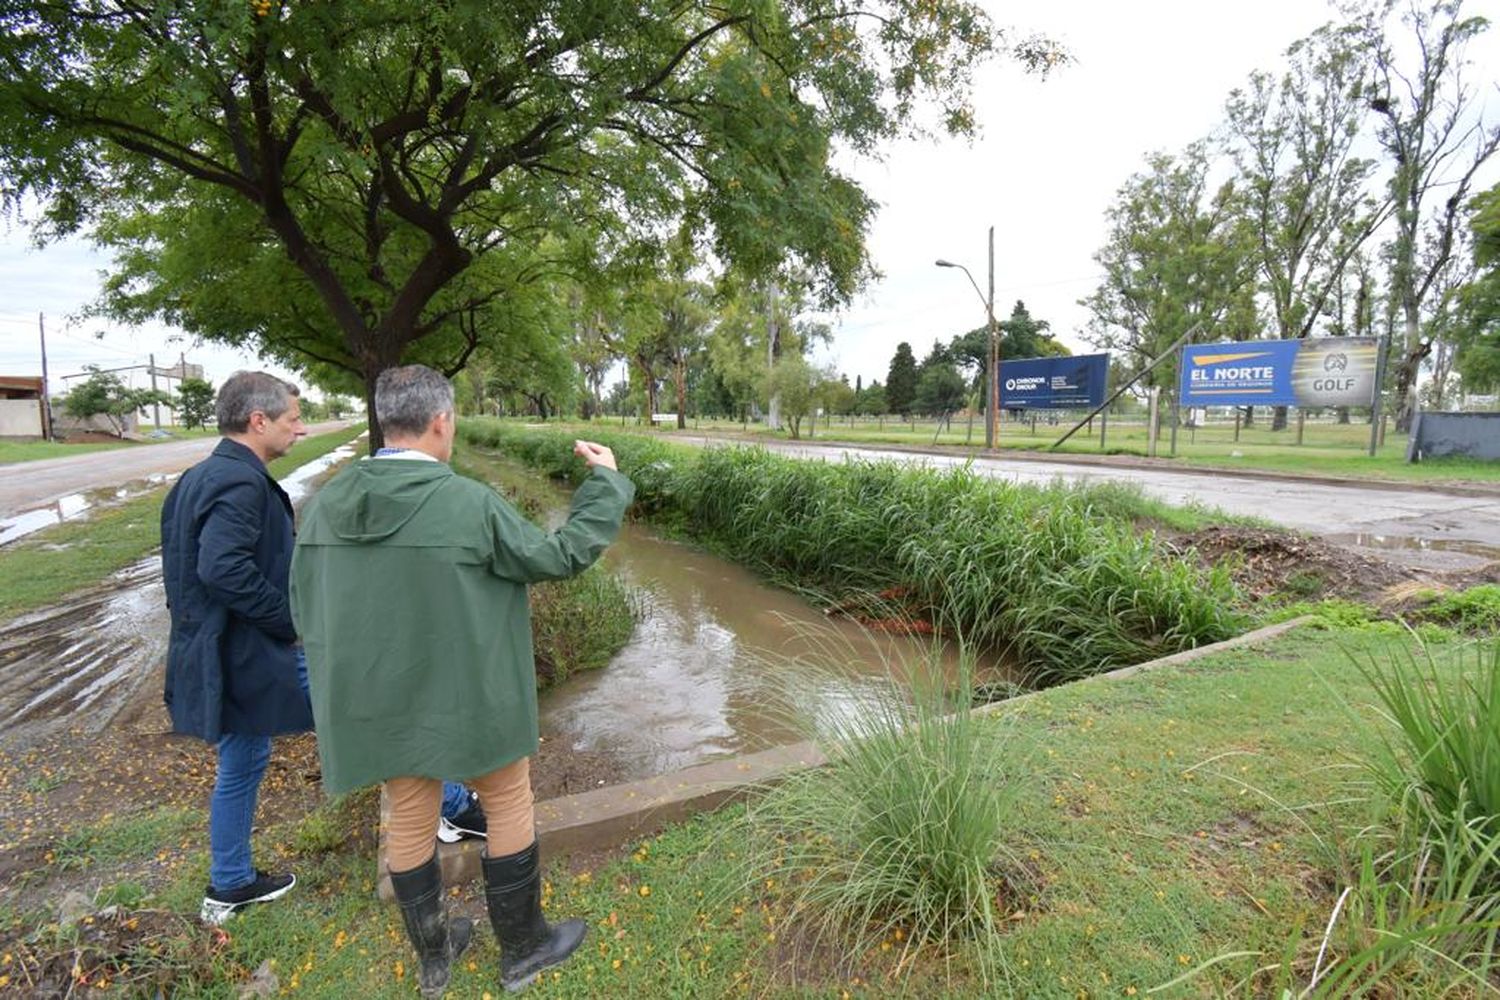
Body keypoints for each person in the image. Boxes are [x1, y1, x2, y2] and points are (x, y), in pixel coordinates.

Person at [290, 365, 633, 997]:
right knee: (506, 801)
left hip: (380, 701)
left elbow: (303, 605)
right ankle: (524, 948)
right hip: (472, 695)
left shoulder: (328, 505)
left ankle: (436, 958)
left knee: (411, 816)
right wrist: (605, 484)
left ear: (386, 420)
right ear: (442, 422)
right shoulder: (468, 503)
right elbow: (557, 557)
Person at [161, 371, 481, 927]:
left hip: (221, 651)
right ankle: (452, 809)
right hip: (259, 652)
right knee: (371, 714)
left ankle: (231, 882)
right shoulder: (239, 484)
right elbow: (221, 569)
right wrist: (293, 620)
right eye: (292, 418)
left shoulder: (198, 477)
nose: (300, 428)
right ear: (257, 421)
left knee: (243, 760)